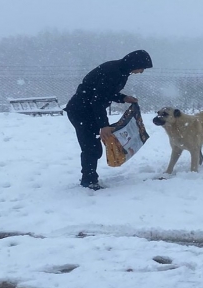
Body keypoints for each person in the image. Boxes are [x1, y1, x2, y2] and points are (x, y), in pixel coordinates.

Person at [64, 50, 153, 190]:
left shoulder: (121, 71)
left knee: (93, 146)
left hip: (89, 111)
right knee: (91, 147)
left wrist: (123, 98)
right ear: (136, 63)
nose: (141, 72)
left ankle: (90, 178)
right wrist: (104, 125)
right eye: (142, 68)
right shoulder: (113, 72)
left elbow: (106, 93)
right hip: (81, 111)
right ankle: (89, 181)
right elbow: (98, 100)